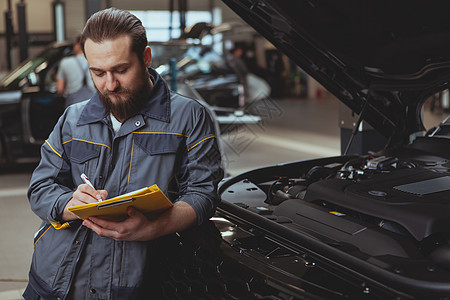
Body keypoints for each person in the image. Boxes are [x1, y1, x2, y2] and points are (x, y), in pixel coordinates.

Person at [23, 7, 223, 300]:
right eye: (98, 73)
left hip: (134, 284)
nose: (110, 85)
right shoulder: (72, 118)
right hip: (55, 281)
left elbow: (203, 194)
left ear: (146, 58)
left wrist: (156, 226)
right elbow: (40, 188)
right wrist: (70, 202)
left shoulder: (189, 117)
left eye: (120, 70)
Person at [56, 35, 96, 107]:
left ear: (77, 46)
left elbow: (60, 89)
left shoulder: (65, 62)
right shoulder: (96, 61)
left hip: (73, 104)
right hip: (93, 102)